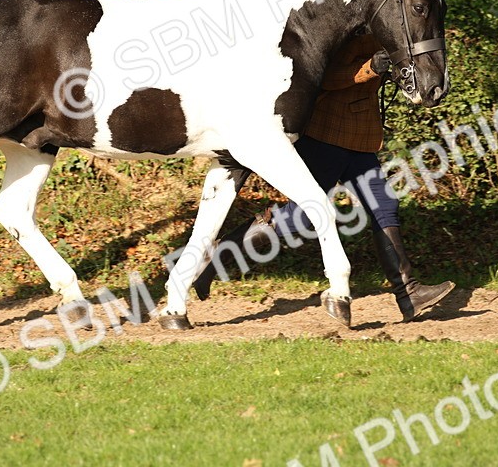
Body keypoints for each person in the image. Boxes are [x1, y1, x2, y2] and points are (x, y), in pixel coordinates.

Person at [192, 33, 455, 321]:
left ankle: (408, 294)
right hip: (327, 137)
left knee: (384, 206)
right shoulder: (347, 33)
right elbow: (325, 77)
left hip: (361, 139)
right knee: (303, 217)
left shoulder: (386, 34)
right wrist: (370, 67)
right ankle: (219, 256)